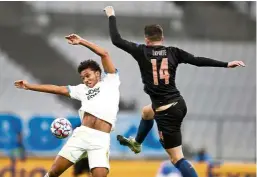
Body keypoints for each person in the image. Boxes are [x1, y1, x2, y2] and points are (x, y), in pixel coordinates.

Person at [104, 6, 245, 177]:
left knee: (177, 158)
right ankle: (137, 143)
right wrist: (225, 64)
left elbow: (116, 40)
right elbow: (197, 60)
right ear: (162, 38)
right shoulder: (174, 52)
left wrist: (111, 15)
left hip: (166, 112)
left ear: (146, 39)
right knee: (147, 111)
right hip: (178, 103)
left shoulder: (141, 51)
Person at [14, 33, 120, 177]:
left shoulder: (111, 81)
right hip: (82, 135)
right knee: (54, 172)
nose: (85, 80)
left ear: (97, 73)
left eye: (88, 76)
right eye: (83, 78)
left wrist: (81, 41)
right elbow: (58, 89)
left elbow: (104, 54)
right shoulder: (81, 90)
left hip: (101, 139)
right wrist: (30, 86)